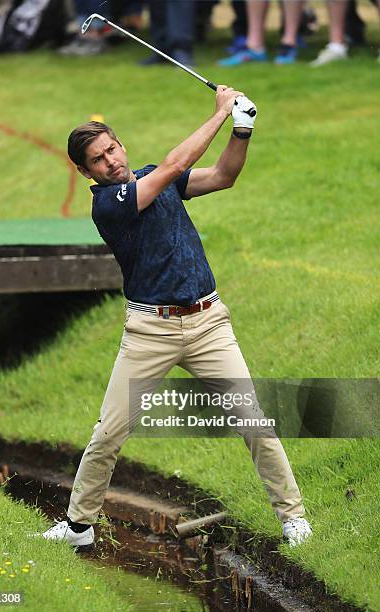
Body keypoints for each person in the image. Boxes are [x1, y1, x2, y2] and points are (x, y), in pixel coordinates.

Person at [40, 86, 313, 550]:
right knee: (108, 433)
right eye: (98, 159)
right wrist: (221, 112)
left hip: (208, 324)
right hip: (150, 331)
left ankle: (294, 519)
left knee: (253, 421)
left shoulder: (158, 182)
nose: (110, 160)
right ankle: (79, 527)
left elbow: (224, 176)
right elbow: (171, 167)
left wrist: (241, 130)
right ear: (86, 172)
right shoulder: (108, 204)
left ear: (121, 144)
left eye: (112, 148)